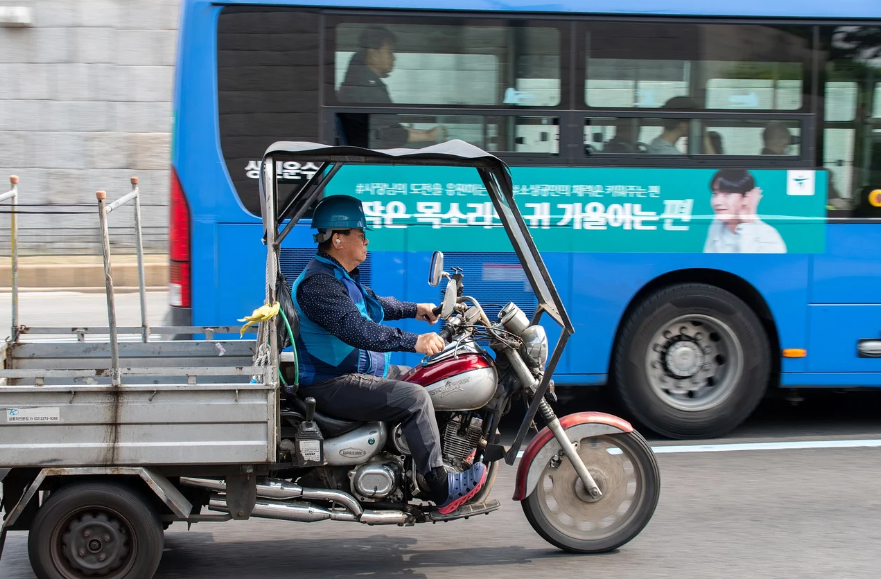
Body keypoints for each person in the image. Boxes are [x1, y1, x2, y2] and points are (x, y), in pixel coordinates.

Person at [291, 194, 487, 515]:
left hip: (357, 372)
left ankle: (439, 457)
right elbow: (359, 330)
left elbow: (377, 306)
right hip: (331, 382)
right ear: (338, 239)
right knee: (415, 398)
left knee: (429, 378)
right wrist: (414, 342)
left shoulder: (338, 276)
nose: (367, 241)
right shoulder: (319, 285)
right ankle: (441, 488)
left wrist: (418, 309)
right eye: (361, 233)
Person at [337, 26, 445, 148]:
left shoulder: (361, 81)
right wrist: (428, 137)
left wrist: (426, 132)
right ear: (374, 54)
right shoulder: (366, 88)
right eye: (389, 51)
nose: (394, 58)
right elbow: (388, 134)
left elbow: (390, 127)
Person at [704, 169, 787, 253]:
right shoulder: (717, 225)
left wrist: (748, 224)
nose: (717, 202)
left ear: (747, 197)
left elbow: (751, 264)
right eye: (715, 194)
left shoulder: (767, 235)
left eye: (727, 194)